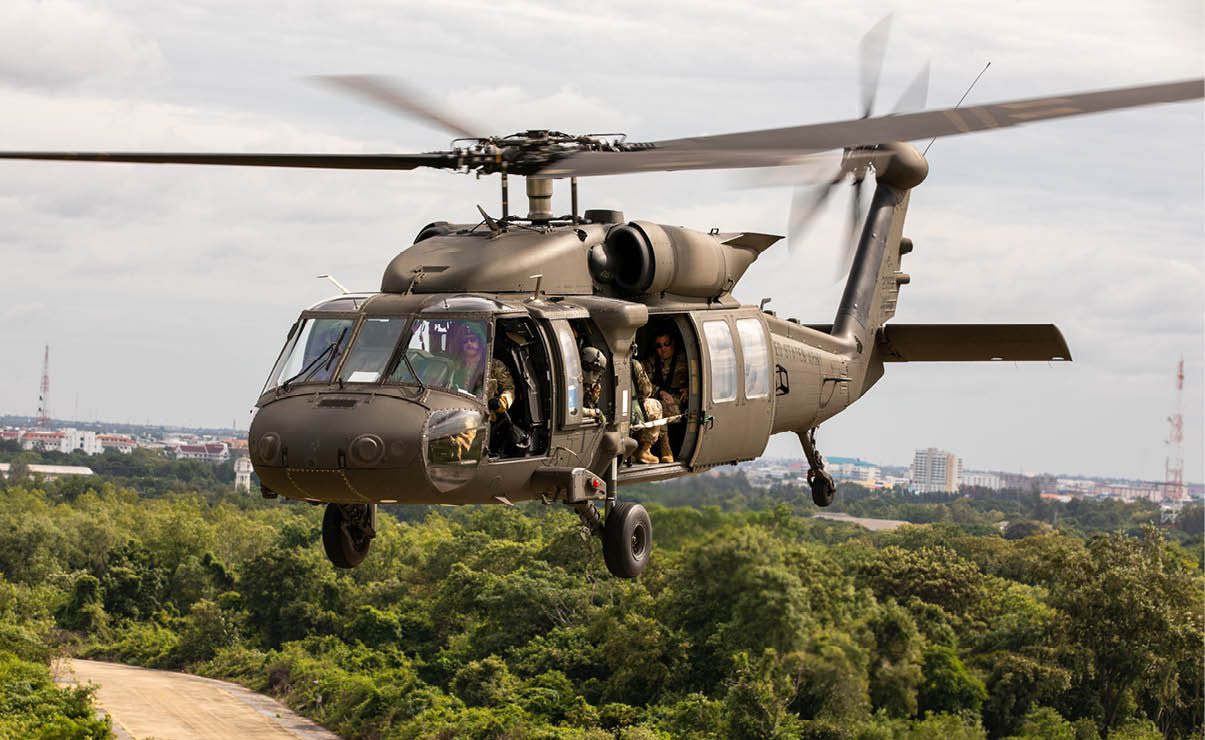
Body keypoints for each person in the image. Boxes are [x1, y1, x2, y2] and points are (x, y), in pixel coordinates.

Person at [645, 329, 688, 461]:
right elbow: (643, 383)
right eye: (659, 345)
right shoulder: (651, 363)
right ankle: (662, 446)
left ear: (673, 344)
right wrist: (659, 391)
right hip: (656, 398)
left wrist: (689, 389)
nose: (663, 349)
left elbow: (701, 378)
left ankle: (666, 447)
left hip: (677, 398)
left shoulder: (685, 360)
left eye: (666, 344)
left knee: (667, 408)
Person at [629, 345, 664, 464]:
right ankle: (644, 450)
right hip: (629, 412)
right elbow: (646, 391)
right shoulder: (633, 364)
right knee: (655, 405)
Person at [581, 346, 607, 424]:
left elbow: (589, 404)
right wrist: (596, 412)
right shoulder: (574, 383)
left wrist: (594, 395)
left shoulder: (588, 385)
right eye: (596, 372)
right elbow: (574, 411)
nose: (597, 376)